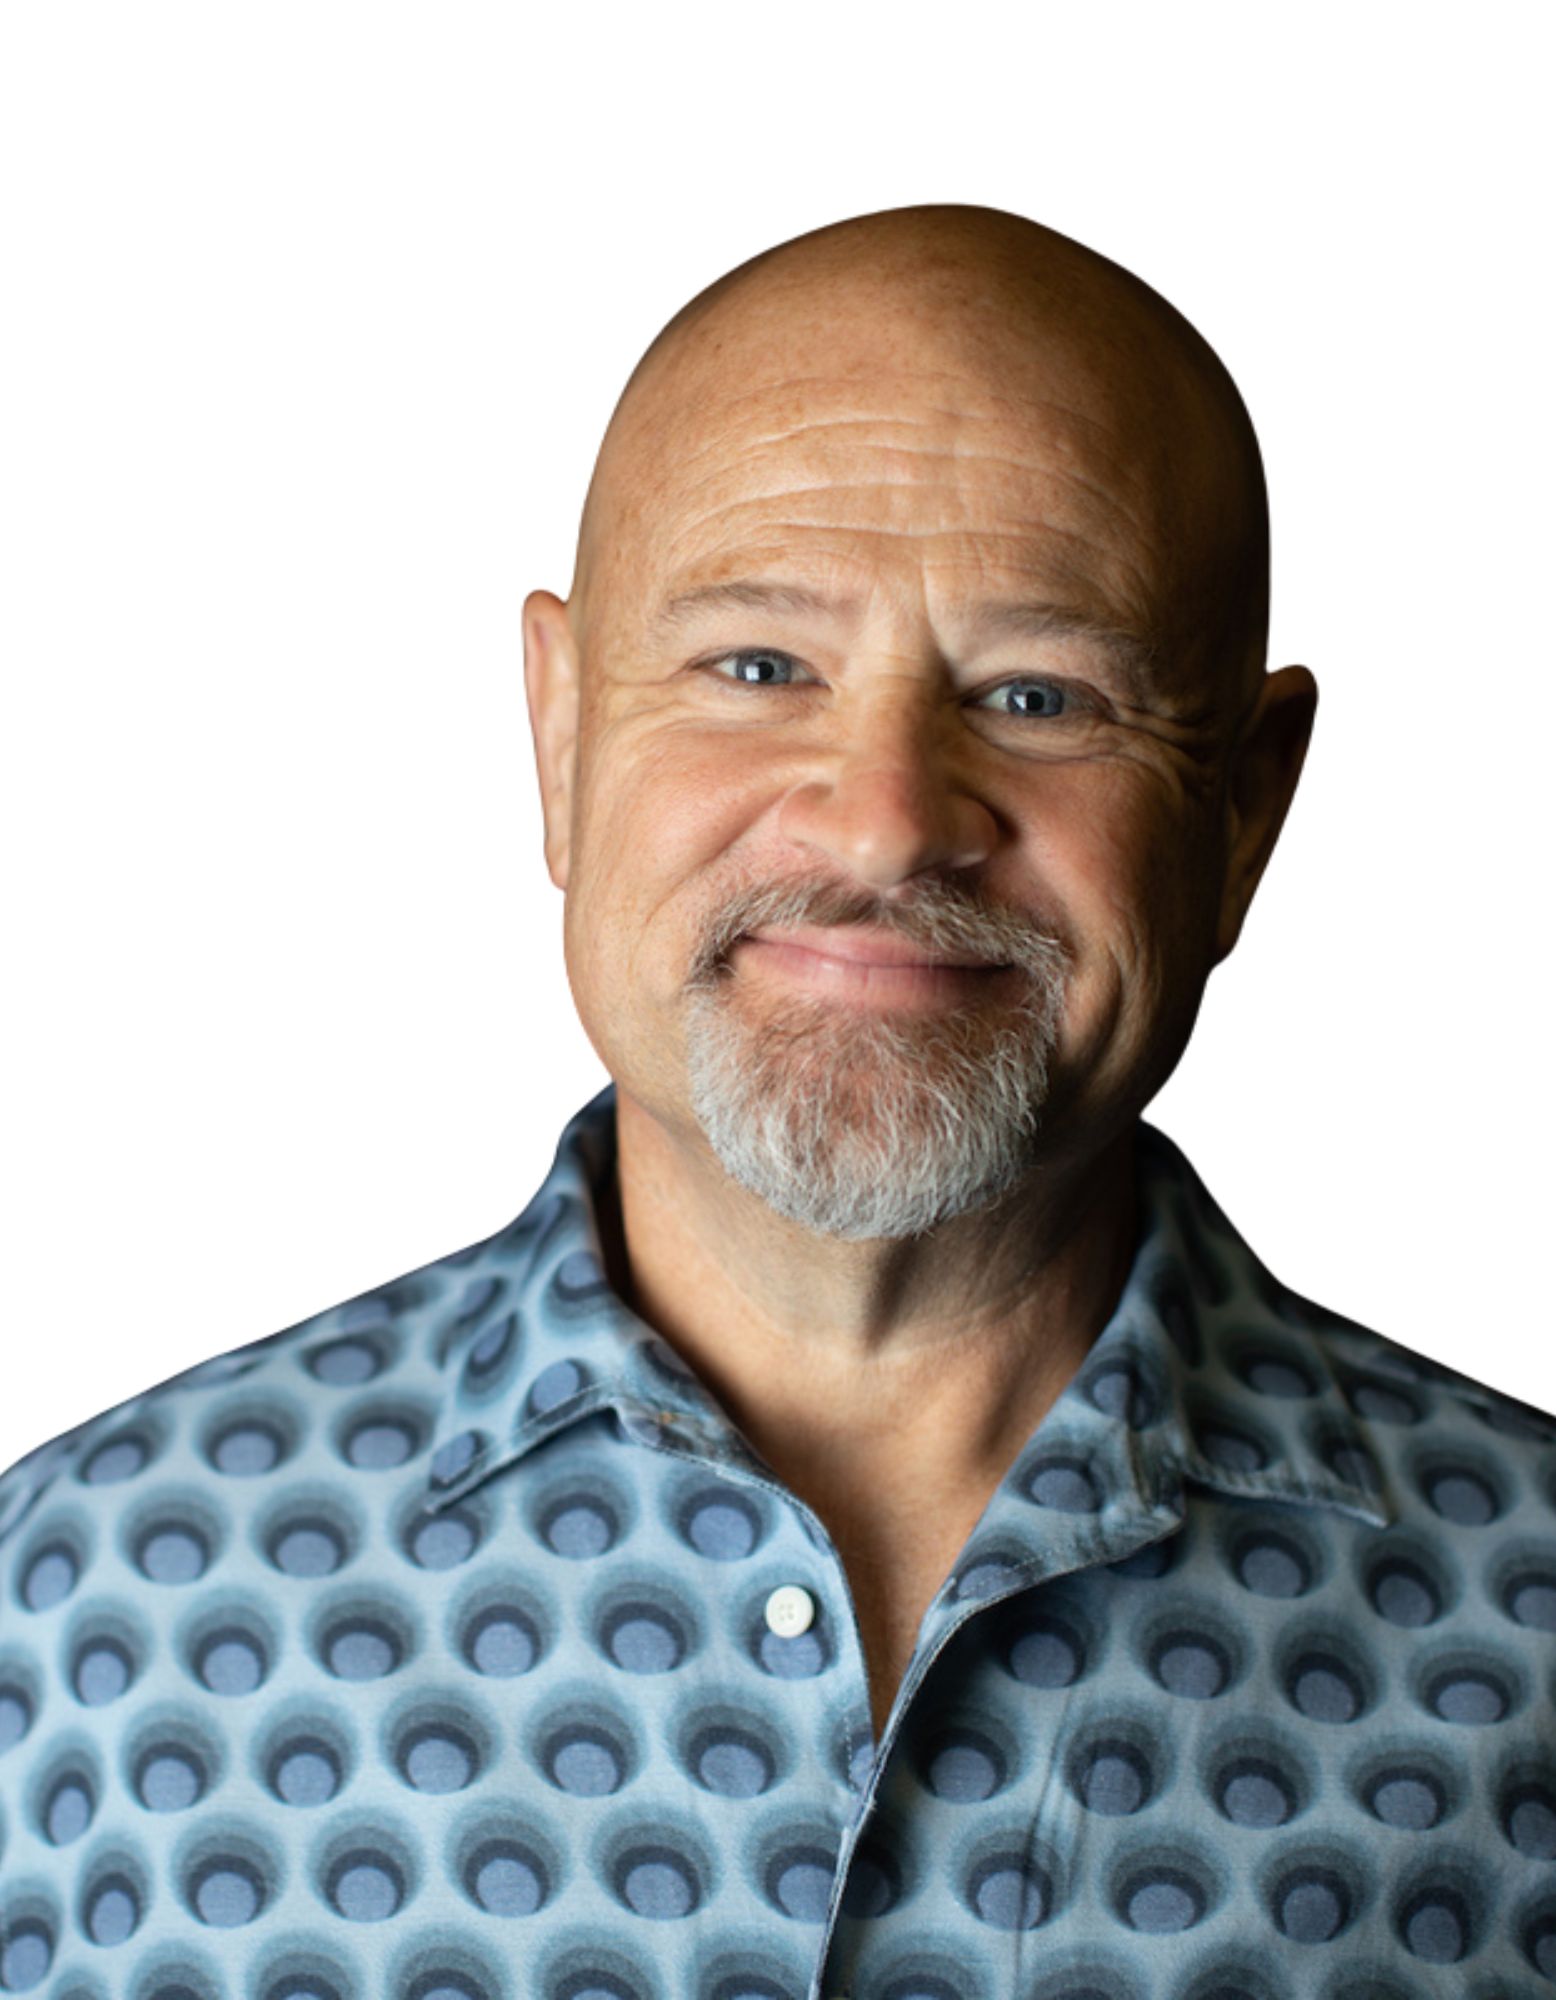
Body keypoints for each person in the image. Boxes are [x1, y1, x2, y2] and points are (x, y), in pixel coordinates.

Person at [1, 204, 1552, 2000]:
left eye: (1041, 695)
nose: (887, 818)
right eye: (758, 667)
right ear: (563, 736)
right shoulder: (74, 1619)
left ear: (1246, 809)